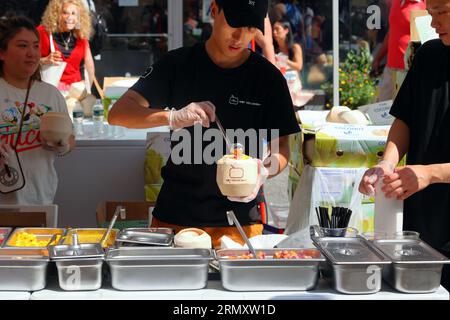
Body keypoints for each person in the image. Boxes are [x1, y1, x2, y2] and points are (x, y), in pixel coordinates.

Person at [108, 0, 300, 248]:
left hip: (239, 224)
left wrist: (265, 170)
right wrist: (172, 117)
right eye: (234, 24)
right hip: (175, 220)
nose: (240, 37)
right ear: (214, 11)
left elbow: (282, 145)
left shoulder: (268, 79)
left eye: (251, 29)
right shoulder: (177, 65)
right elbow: (119, 113)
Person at [359, 0, 450, 290]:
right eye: (431, 13)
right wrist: (387, 163)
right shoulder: (429, 55)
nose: (434, 23)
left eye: (443, 13)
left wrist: (430, 173)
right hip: (419, 226)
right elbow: (405, 120)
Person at [0, 15, 75, 205]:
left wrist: (63, 146)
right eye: (23, 46)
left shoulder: (50, 94)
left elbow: (70, 138)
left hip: (42, 199)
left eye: (35, 45)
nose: (32, 53)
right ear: (2, 52)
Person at [372, 0, 426, 101]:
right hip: (390, 67)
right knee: (381, 109)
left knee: (405, 111)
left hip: (409, 70)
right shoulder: (396, 2)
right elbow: (391, 32)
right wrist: (378, 58)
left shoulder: (424, 4)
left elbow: (429, 36)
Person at [37, 0, 94, 91]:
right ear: (56, 14)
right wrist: (44, 60)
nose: (70, 17)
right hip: (50, 92)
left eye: (73, 13)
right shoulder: (43, 33)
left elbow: (89, 67)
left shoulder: (81, 36)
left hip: (74, 94)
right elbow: (25, 61)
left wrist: (86, 90)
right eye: (65, 13)